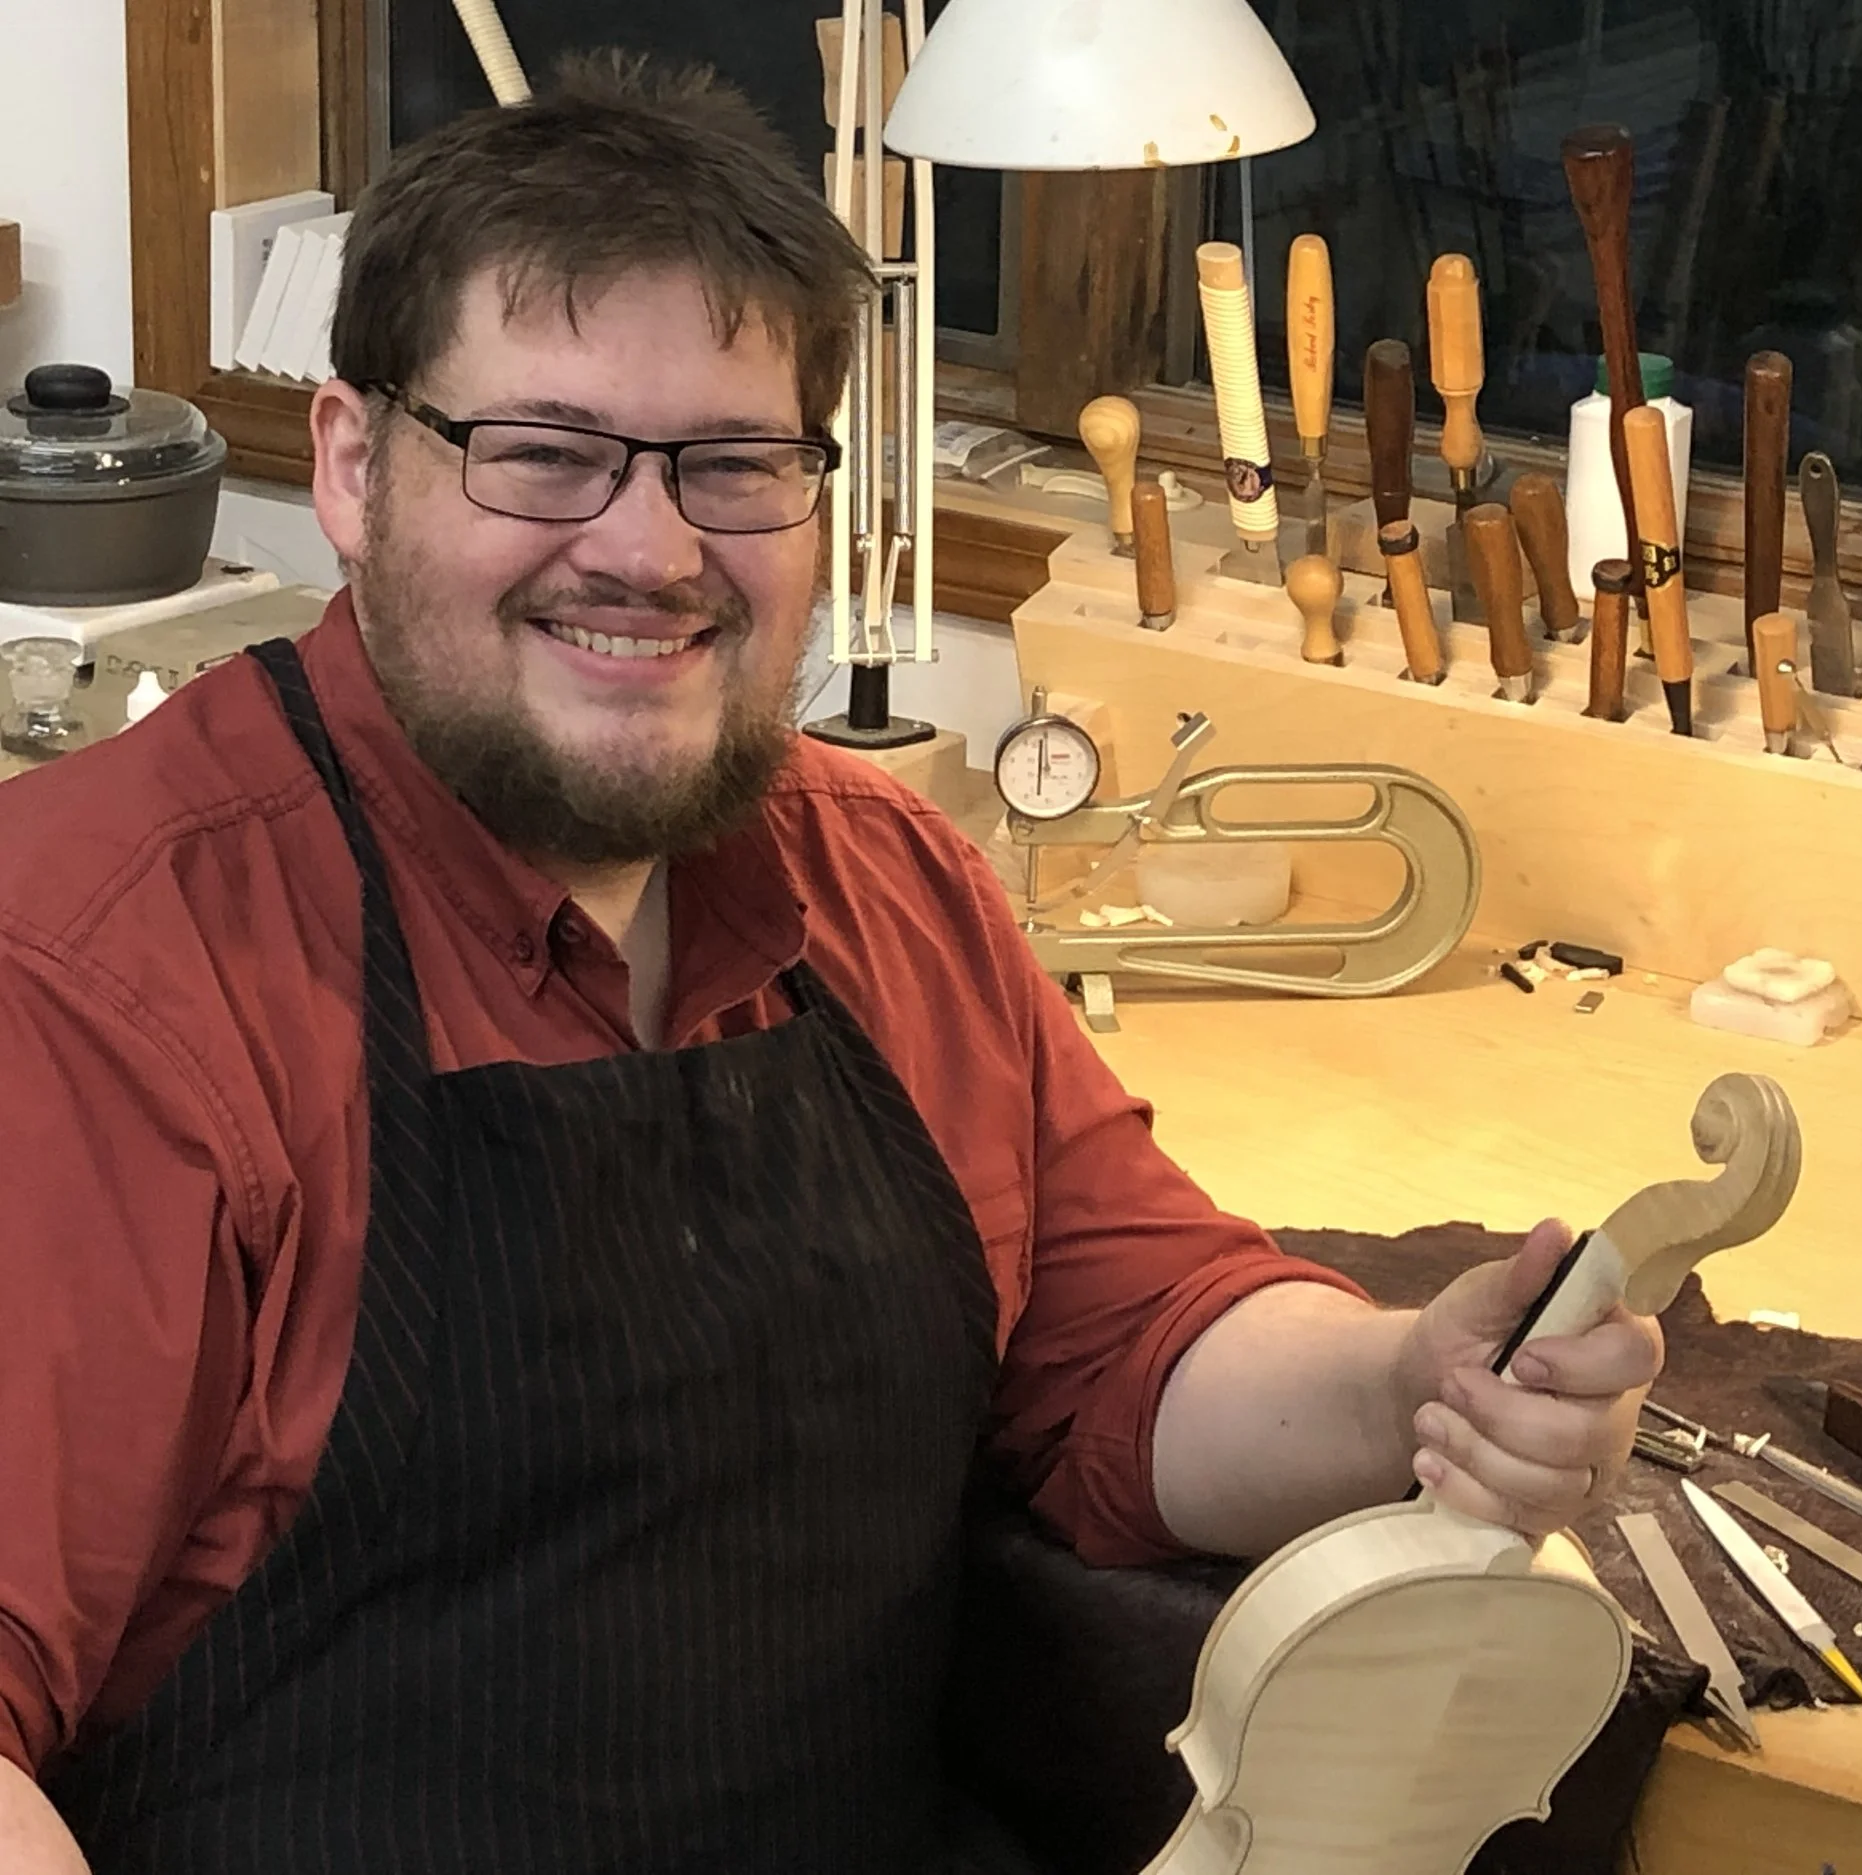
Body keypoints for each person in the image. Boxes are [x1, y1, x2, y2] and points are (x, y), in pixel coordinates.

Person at [0, 55, 1661, 1873]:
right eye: (542, 451)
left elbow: (1129, 1351)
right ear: (349, 464)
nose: (648, 550)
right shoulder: (93, 972)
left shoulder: (878, 877)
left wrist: (1415, 1383)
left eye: (733, 465)